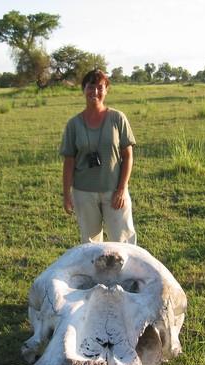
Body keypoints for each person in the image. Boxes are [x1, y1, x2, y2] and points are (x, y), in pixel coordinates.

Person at [60, 69, 137, 245]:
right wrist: (66, 195)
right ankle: (96, 273)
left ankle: (128, 273)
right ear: (83, 89)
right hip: (83, 193)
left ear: (106, 90)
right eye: (90, 87)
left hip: (114, 191)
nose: (95, 92)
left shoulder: (117, 118)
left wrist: (121, 189)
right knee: (90, 244)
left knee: (123, 240)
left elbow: (128, 156)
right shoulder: (74, 124)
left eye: (100, 87)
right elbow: (69, 162)